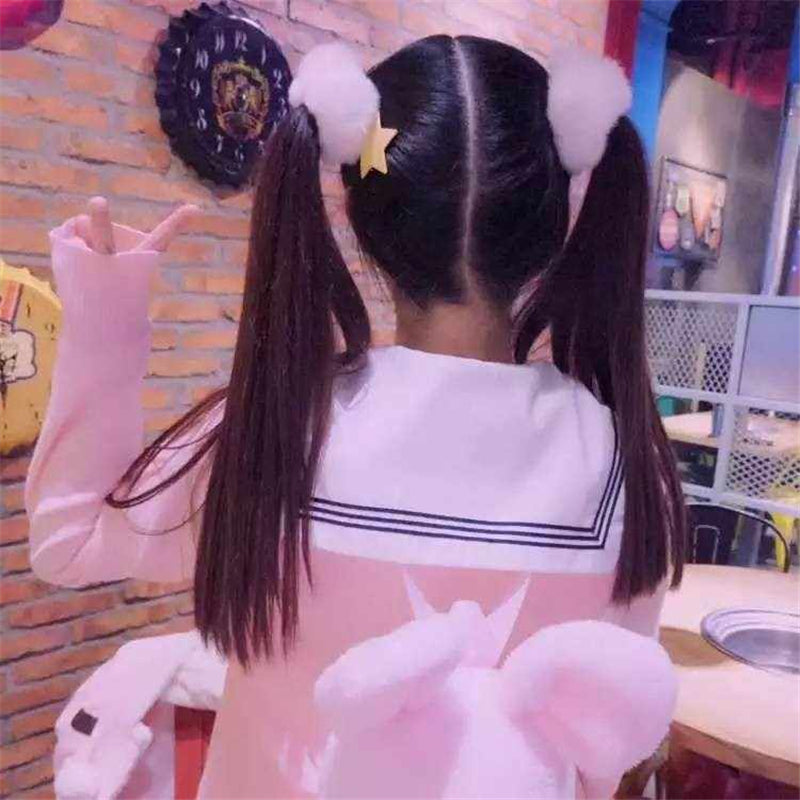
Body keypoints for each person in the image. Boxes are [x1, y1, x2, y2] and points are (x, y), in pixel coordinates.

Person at [27, 35, 685, 797]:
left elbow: (70, 540)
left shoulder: (280, 430)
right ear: (556, 220)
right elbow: (609, 740)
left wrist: (104, 318)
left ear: (357, 213)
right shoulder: (625, 465)